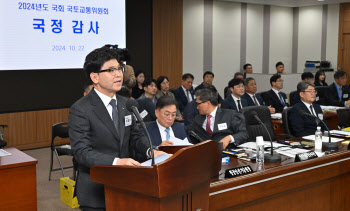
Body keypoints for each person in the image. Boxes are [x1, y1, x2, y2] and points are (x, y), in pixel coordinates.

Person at [68, 47, 165, 210]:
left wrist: (150, 151)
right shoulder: (81, 109)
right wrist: (117, 162)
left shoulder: (125, 103)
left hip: (126, 185)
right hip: (96, 189)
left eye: (119, 69)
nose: (119, 74)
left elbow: (134, 136)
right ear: (95, 77)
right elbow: (81, 152)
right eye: (111, 70)